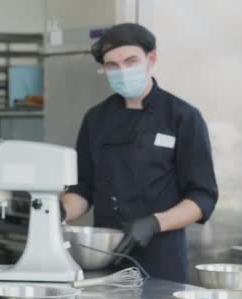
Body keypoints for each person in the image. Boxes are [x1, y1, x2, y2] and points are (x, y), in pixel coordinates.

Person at [61, 23, 218, 283]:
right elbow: (82, 189)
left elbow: (203, 198)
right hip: (104, 256)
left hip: (162, 261)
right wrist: (56, 212)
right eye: (112, 65)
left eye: (130, 61)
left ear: (151, 58)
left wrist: (155, 223)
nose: (122, 70)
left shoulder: (182, 116)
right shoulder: (96, 119)